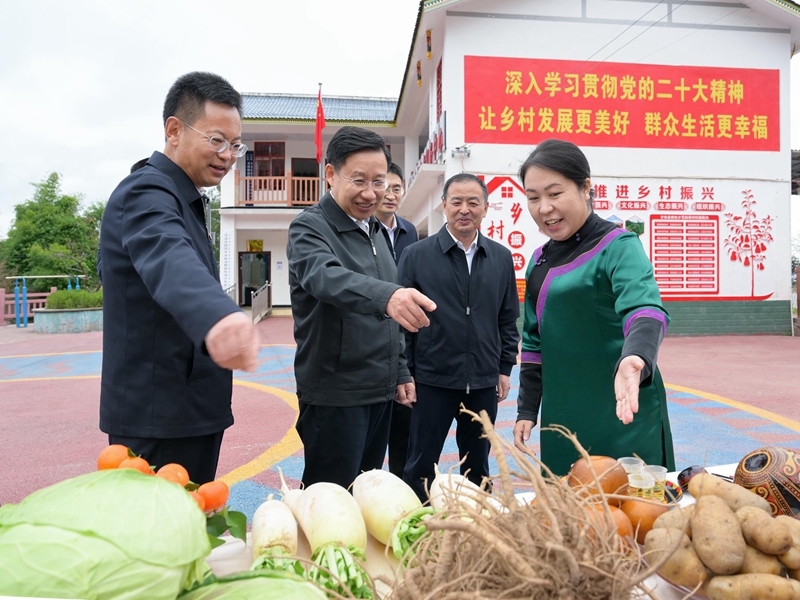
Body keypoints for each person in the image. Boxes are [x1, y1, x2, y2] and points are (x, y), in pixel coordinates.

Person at [99, 71, 261, 485]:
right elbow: (169, 257)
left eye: (235, 145)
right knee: (151, 540)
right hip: (157, 416)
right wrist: (217, 315)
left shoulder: (188, 200)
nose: (227, 155)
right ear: (174, 130)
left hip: (191, 409)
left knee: (191, 531)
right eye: (216, 140)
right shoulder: (146, 193)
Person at [512, 139, 675, 476]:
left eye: (555, 194)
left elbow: (645, 308)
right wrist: (528, 410)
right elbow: (533, 343)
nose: (544, 208)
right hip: (563, 420)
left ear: (586, 188)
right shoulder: (538, 261)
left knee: (633, 513)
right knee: (568, 514)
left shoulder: (618, 246)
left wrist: (636, 358)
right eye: (533, 197)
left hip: (623, 410)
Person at [287, 126, 436, 489]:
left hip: (380, 391)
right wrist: (388, 296)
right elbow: (326, 278)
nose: (371, 193)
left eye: (379, 181)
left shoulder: (375, 233)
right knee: (329, 498)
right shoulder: (309, 228)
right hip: (336, 393)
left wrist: (400, 371)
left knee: (366, 494)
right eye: (359, 180)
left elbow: (390, 317)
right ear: (330, 174)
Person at [399, 173, 520, 501]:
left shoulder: (500, 257)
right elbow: (400, 323)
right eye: (456, 202)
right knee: (421, 462)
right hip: (431, 380)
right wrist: (404, 371)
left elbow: (508, 318)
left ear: (485, 208)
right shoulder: (416, 255)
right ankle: (418, 527)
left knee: (477, 466)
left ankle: (477, 529)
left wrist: (504, 367)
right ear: (444, 206)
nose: (464, 209)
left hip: (482, 382)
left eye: (473, 202)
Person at [375, 162, 419, 479]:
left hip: (404, 345)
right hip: (373, 343)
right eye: (385, 187)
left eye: (397, 188)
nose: (390, 195)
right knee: (372, 438)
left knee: (405, 433)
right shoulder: (362, 229)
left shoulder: (410, 232)